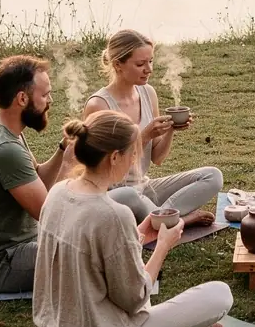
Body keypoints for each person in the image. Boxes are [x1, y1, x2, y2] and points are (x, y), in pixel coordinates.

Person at [34, 111, 233, 327]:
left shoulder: (57, 192)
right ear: (115, 157)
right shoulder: (113, 214)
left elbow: (90, 258)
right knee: (220, 294)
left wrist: (137, 236)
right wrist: (163, 246)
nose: (134, 161)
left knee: (136, 275)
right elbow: (135, 297)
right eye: (132, 154)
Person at [84, 30, 222, 225]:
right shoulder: (99, 105)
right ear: (118, 65)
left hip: (145, 188)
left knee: (213, 176)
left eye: (150, 61)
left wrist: (170, 130)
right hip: (115, 194)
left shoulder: (148, 93)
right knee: (129, 194)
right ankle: (180, 220)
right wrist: (144, 136)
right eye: (140, 64)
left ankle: (162, 217)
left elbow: (157, 158)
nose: (148, 69)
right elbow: (101, 167)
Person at [0, 55, 71, 293]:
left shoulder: (2, 128)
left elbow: (38, 179)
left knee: (89, 245)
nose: (50, 100)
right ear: (22, 98)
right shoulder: (4, 149)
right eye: (45, 95)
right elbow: (49, 213)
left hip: (20, 247)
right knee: (85, 254)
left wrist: (63, 150)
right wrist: (71, 164)